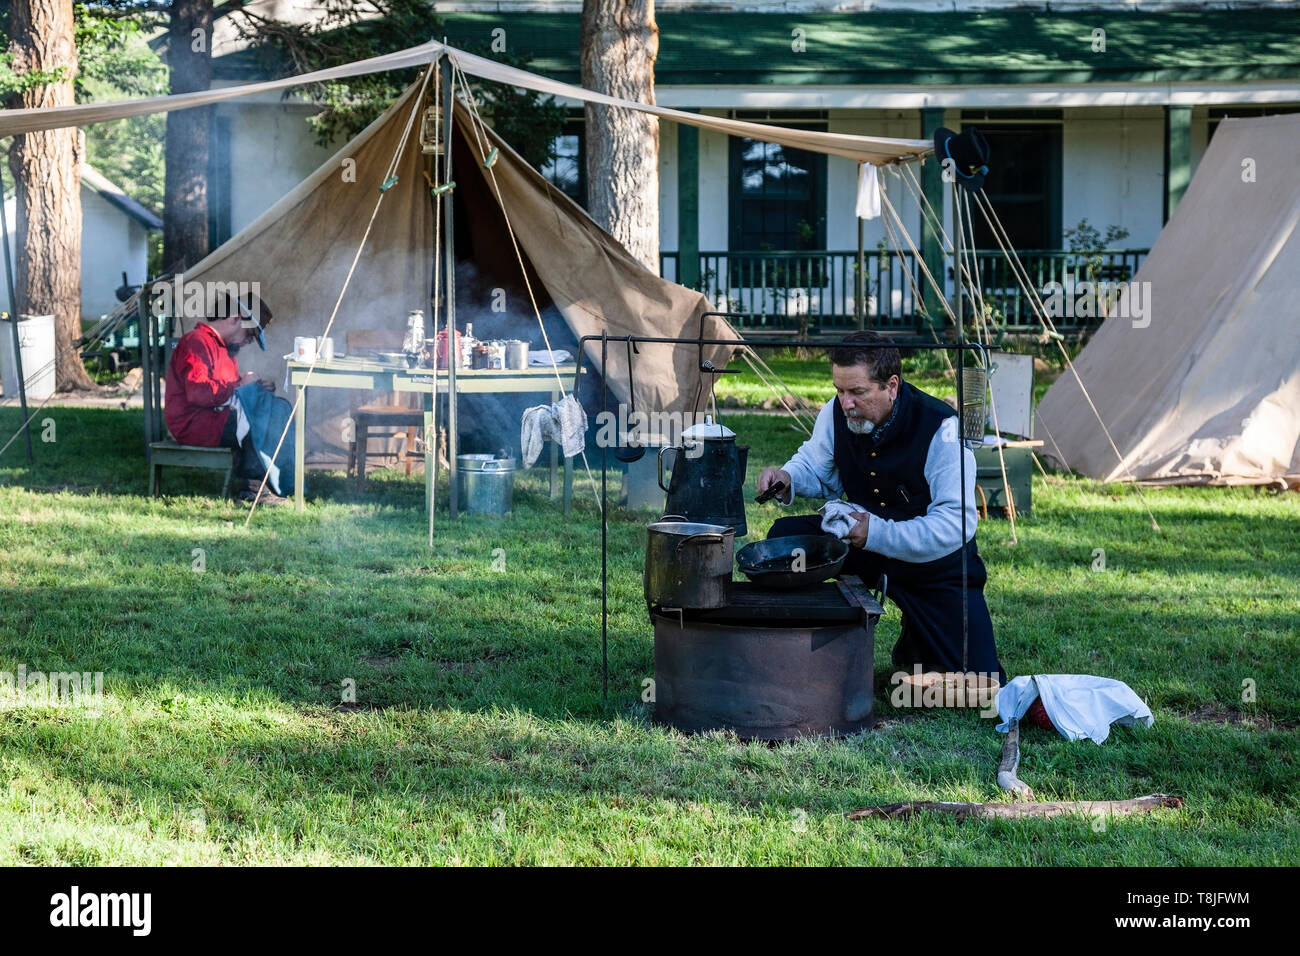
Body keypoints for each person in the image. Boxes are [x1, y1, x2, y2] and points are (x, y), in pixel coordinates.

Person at [756, 330, 1004, 681]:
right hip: (863, 547)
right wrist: (788, 477)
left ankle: (919, 636)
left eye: (857, 392)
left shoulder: (943, 430)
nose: (845, 403)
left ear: (891, 385)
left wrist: (874, 532)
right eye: (839, 390)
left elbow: (954, 525)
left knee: (977, 680)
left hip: (933, 565)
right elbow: (818, 466)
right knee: (786, 540)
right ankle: (798, 652)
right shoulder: (836, 412)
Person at [163, 293, 290, 505]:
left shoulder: (225, 351)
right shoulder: (196, 342)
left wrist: (255, 387)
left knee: (277, 408)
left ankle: (274, 482)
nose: (248, 342)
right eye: (249, 335)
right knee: (259, 418)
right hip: (194, 424)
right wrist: (241, 385)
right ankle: (252, 490)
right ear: (235, 318)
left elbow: (226, 390)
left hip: (214, 418)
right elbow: (199, 393)